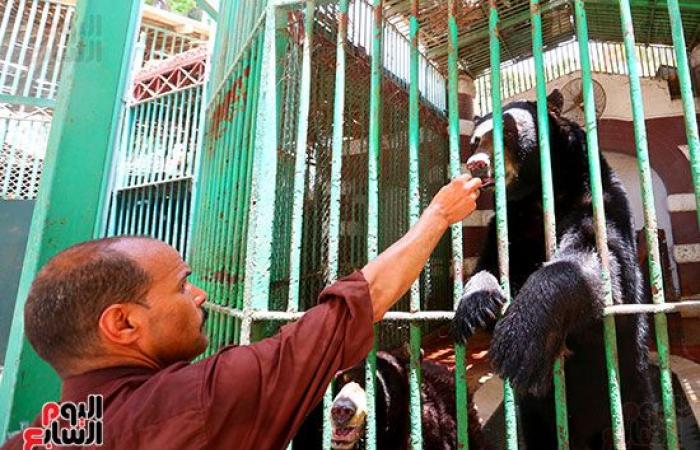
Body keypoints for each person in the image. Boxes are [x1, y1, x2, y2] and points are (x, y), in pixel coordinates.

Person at [1, 174, 481, 450]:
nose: (201, 295)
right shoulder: (196, 402)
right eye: (182, 284)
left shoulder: (39, 437)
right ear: (123, 323)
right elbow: (361, 302)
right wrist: (439, 214)